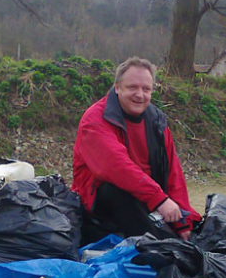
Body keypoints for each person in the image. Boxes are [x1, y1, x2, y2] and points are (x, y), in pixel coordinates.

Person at [72, 57, 201, 242]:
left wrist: (183, 222)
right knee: (119, 190)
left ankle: (175, 248)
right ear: (117, 88)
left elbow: (173, 173)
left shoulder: (157, 122)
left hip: (146, 199)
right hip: (98, 206)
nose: (139, 95)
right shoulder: (94, 120)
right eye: (132, 87)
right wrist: (160, 200)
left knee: (193, 229)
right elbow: (115, 166)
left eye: (146, 89)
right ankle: (160, 252)